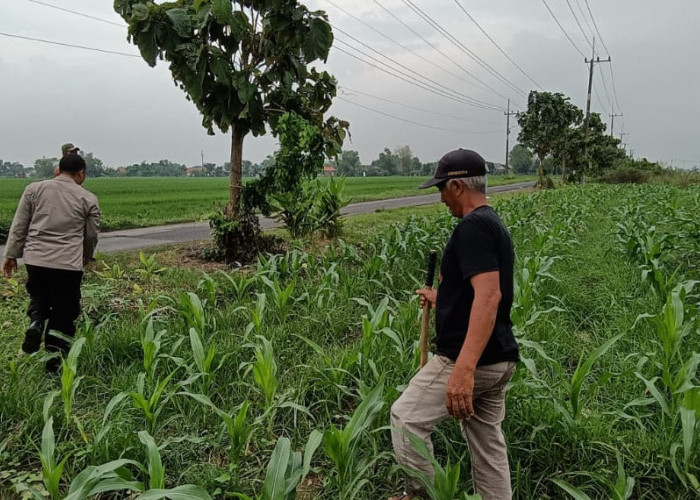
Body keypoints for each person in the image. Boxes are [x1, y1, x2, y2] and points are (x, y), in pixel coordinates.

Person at [390, 149, 520, 500]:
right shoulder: (492, 223)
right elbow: (479, 289)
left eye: (441, 189)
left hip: (472, 359)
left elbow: (489, 297)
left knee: (406, 419)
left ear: (458, 186)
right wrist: (442, 298)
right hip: (501, 358)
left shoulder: (473, 228)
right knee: (488, 445)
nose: (441, 197)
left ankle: (423, 495)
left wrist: (463, 370)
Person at [2, 152, 100, 372]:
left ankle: (36, 323)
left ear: (59, 169)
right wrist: (86, 255)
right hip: (67, 264)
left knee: (39, 296)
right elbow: (92, 235)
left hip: (35, 260)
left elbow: (20, 224)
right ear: (81, 173)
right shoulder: (88, 198)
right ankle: (54, 367)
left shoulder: (34, 189)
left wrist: (10, 255)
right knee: (64, 313)